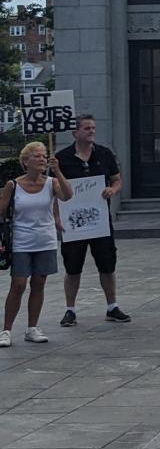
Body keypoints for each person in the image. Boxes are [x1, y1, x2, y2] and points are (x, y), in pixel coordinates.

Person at [56, 113, 131, 326]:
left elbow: (117, 180)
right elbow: (53, 190)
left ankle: (112, 306)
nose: (92, 132)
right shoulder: (61, 158)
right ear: (75, 132)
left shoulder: (105, 154)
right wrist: (56, 217)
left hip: (100, 221)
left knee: (107, 264)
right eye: (87, 128)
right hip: (73, 222)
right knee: (73, 266)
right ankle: (70, 309)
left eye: (93, 128)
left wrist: (112, 190)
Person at [0, 143, 73, 347]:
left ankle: (32, 327)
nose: (42, 159)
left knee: (39, 283)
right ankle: (6, 330)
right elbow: (1, 211)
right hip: (21, 241)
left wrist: (58, 170)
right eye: (37, 156)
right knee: (18, 285)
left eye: (44, 156)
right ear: (26, 162)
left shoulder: (51, 183)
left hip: (45, 239)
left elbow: (68, 196)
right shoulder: (13, 185)